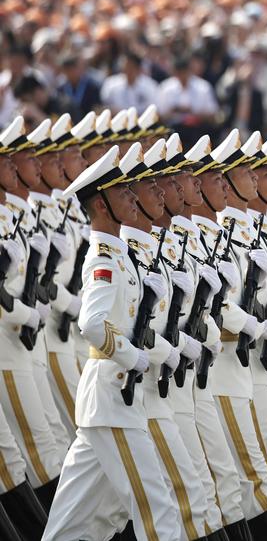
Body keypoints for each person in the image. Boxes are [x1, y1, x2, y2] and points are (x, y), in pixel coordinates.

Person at [41, 145, 184, 541]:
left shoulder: (121, 256)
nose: (134, 199)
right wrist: (133, 355)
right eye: (123, 194)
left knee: (82, 522)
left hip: (111, 400)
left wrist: (152, 351)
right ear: (101, 206)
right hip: (112, 395)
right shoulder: (102, 256)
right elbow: (92, 324)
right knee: (158, 510)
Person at [156, 54, 219, 146]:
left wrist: (193, 112)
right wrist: (174, 111)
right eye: (179, 72)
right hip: (173, 129)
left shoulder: (203, 87)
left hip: (197, 130)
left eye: (184, 72)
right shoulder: (166, 88)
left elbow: (213, 114)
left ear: (189, 70)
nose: (182, 76)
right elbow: (159, 115)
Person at [56, 55, 102, 120]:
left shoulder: (92, 88)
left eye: (73, 69)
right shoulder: (60, 90)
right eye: (68, 70)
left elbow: (97, 108)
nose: (71, 72)